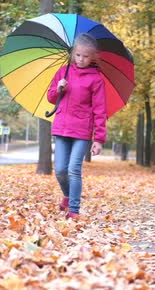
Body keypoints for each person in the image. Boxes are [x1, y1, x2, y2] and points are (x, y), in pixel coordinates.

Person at [47, 33, 107, 220]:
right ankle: (66, 195)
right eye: (78, 55)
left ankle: (74, 209)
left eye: (86, 56)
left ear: (93, 57)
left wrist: (98, 139)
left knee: (74, 168)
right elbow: (50, 97)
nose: (81, 59)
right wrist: (59, 88)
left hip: (81, 131)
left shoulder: (96, 79)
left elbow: (100, 110)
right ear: (73, 53)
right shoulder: (63, 72)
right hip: (62, 127)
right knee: (60, 170)